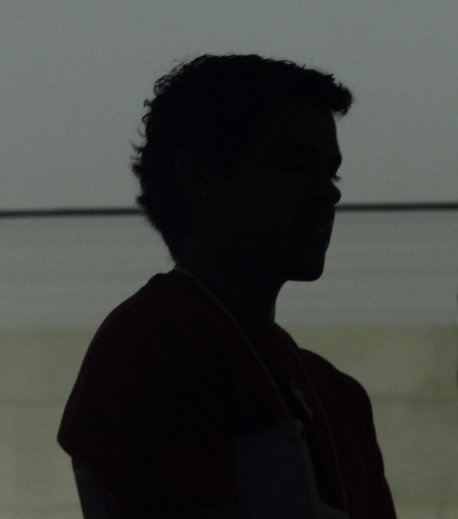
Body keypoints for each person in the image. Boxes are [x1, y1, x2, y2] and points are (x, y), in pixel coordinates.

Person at [58, 55, 396, 518]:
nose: (329, 193)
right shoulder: (155, 343)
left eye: (331, 172)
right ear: (199, 176)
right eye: (296, 166)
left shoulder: (340, 396)